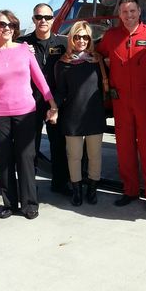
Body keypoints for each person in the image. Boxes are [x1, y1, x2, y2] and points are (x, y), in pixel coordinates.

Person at [0, 10, 58, 220]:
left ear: (15, 29)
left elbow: (40, 79)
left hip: (25, 111)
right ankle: (10, 204)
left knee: (26, 157)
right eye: (2, 24)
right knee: (5, 158)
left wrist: (52, 102)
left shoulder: (25, 50)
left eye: (11, 25)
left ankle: (30, 203)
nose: (6, 28)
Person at [98, 0, 146, 212]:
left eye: (132, 11)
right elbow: (97, 55)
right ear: (119, 15)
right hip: (121, 103)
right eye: (124, 12)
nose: (129, 16)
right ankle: (129, 190)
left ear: (139, 12)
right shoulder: (111, 36)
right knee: (125, 148)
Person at [18, 3, 70, 196]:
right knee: (30, 148)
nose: (43, 21)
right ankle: (29, 187)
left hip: (55, 104)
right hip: (29, 104)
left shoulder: (63, 43)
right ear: (33, 19)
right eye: (39, 17)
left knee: (59, 145)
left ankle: (60, 183)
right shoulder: (21, 43)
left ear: (53, 19)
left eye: (47, 17)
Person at [54, 21, 106, 206]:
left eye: (85, 37)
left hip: (94, 114)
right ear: (71, 39)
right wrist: (53, 108)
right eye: (77, 37)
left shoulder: (97, 61)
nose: (82, 40)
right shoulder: (63, 64)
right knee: (74, 156)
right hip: (72, 117)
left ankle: (92, 189)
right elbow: (60, 91)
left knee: (95, 155)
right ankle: (76, 189)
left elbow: (103, 87)